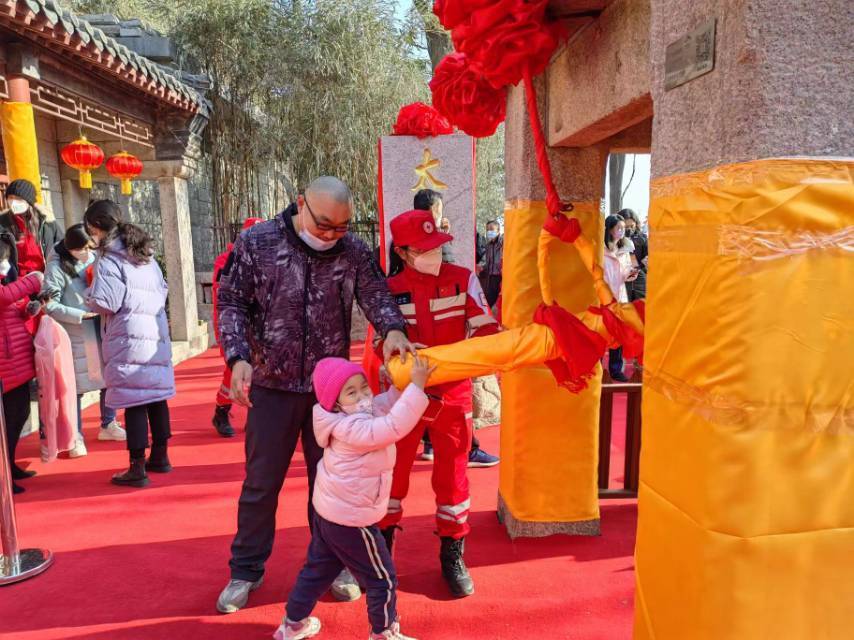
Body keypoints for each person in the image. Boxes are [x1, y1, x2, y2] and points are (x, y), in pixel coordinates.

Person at [215, 176, 415, 614]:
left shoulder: (354, 251)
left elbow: (377, 296)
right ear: (300, 204)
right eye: (324, 224)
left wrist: (394, 328)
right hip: (271, 384)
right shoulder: (258, 241)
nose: (330, 235)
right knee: (261, 484)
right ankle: (245, 569)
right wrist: (238, 356)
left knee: (334, 481)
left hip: (333, 393)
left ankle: (336, 563)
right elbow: (230, 301)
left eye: (340, 228)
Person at [377, 209, 499, 598]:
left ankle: (453, 552)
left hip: (453, 394)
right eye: (424, 250)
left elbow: (485, 329)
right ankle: (379, 550)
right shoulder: (388, 289)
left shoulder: (463, 279)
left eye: (437, 248)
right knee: (391, 475)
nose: (434, 255)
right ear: (404, 252)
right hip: (403, 397)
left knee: (453, 476)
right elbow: (380, 343)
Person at [274, 356, 433, 640]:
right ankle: (384, 632)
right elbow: (391, 427)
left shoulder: (348, 414)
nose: (362, 396)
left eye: (364, 387)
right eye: (351, 392)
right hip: (352, 521)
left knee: (317, 572)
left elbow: (384, 405)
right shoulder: (349, 428)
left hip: (331, 515)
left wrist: (402, 386)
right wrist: (417, 389)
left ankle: (292, 623)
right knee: (382, 579)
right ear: (335, 403)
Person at [83, 200, 175, 487]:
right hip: (154, 331)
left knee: (134, 399)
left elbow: (106, 301)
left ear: (96, 227)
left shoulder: (110, 259)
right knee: (155, 395)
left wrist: (87, 297)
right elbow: (162, 290)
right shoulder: (143, 253)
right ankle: (160, 456)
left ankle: (137, 467)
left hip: (127, 334)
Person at [42, 223, 126, 458]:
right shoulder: (56, 266)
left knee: (108, 377)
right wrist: (78, 314)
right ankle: (75, 435)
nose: (86, 253)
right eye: (81, 249)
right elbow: (49, 304)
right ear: (70, 248)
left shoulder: (96, 256)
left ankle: (108, 424)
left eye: (89, 247)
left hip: (102, 325)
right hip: (76, 331)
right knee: (75, 387)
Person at [211, 216, 264, 437]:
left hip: (262, 324)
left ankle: (257, 417)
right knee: (233, 370)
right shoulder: (226, 260)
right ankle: (221, 411)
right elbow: (224, 295)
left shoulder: (269, 258)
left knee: (262, 370)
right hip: (234, 323)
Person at [0, 239, 43, 494]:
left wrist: (29, 309)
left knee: (20, 415)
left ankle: (10, 465)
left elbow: (13, 304)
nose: (5, 265)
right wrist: (33, 279)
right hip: (4, 364)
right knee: (6, 422)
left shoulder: (6, 279)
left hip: (16, 360)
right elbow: (4, 298)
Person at [0, 179, 63, 279]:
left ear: (28, 201)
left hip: (46, 278)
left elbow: (63, 247)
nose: (13, 202)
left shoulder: (47, 220)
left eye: (18, 198)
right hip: (17, 282)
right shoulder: (2, 223)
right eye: (10, 198)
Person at [602, 214, 639, 382]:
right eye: (619, 228)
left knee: (618, 334)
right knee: (601, 333)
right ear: (610, 229)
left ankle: (616, 370)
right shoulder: (600, 250)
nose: (622, 231)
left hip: (620, 296)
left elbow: (625, 273)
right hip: (603, 296)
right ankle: (597, 367)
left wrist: (631, 273)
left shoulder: (625, 250)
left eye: (624, 228)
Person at [412, 189, 453, 264]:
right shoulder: (434, 239)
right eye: (439, 210)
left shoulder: (408, 235)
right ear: (430, 210)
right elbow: (448, 267)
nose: (441, 215)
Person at [619, 208, 648, 301]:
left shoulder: (642, 238)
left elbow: (647, 256)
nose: (629, 230)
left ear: (636, 223)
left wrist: (645, 262)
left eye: (632, 226)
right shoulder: (613, 239)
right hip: (621, 279)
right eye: (626, 227)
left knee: (641, 306)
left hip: (639, 278)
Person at [478, 220, 503, 309]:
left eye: (491, 229)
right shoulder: (488, 245)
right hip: (491, 278)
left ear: (498, 230)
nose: (489, 232)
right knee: (489, 301)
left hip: (502, 277)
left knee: (501, 303)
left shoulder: (503, 243)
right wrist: (482, 268)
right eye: (487, 230)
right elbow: (488, 263)